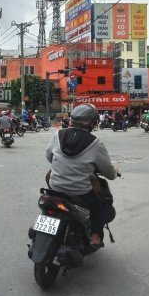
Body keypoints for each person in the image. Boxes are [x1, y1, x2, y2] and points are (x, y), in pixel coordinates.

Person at [45, 104, 119, 248]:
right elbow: (108, 173)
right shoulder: (95, 143)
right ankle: (96, 235)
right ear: (93, 122)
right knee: (104, 203)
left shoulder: (57, 135)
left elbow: (49, 157)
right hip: (80, 192)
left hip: (56, 188)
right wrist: (115, 172)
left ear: (72, 120)